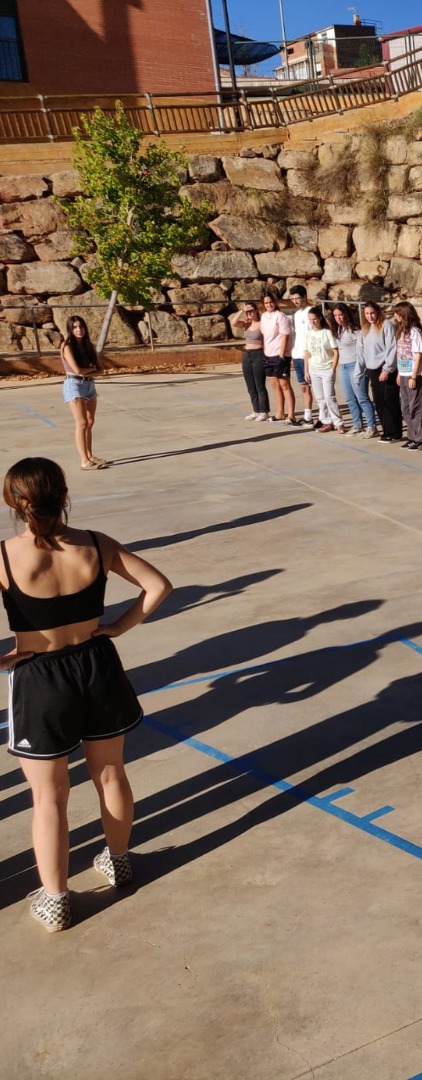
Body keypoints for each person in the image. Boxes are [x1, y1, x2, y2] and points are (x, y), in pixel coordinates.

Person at [1, 457, 172, 931]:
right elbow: (158, 585)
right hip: (97, 665)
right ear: (64, 496)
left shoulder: (5, 556)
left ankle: (56, 899)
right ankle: (118, 861)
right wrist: (118, 626)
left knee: (49, 795)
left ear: (15, 504)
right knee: (111, 773)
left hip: (39, 676)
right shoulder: (97, 544)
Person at [59, 315, 107, 471]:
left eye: (81, 326)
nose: (79, 330)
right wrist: (91, 369)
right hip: (74, 385)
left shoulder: (89, 346)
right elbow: (77, 370)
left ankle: (90, 456)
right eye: (75, 327)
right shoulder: (67, 346)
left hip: (89, 385)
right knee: (82, 423)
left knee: (90, 421)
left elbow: (101, 370)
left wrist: (90, 371)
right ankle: (84, 461)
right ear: (70, 330)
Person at [331, 303, 375, 437]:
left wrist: (360, 369)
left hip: (356, 365)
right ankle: (357, 425)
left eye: (340, 315)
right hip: (344, 366)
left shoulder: (355, 330)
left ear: (346, 314)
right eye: (335, 316)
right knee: (350, 399)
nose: (338, 318)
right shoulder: (338, 329)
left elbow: (362, 350)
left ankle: (372, 427)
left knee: (362, 398)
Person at [360, 301, 402, 442]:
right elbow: (364, 350)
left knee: (389, 401)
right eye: (367, 314)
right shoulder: (366, 328)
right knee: (379, 402)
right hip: (372, 369)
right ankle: (386, 430)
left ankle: (394, 433)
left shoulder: (386, 325)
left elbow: (392, 348)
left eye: (372, 313)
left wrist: (387, 369)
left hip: (385, 368)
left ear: (377, 312)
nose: (370, 316)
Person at [260, 291, 300, 426]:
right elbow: (265, 336)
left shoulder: (281, 316)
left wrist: (282, 355)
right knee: (274, 385)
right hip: (268, 354)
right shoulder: (264, 316)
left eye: (271, 302)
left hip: (280, 354)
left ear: (275, 302)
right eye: (266, 303)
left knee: (285, 385)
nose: (269, 305)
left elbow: (285, 336)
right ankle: (280, 412)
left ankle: (291, 415)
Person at [394, 301, 422, 450]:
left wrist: (413, 376)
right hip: (403, 372)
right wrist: (399, 373)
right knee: (406, 407)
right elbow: (400, 353)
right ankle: (412, 436)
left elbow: (419, 354)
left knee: (416, 406)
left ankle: (421, 438)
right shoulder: (402, 331)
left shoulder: (415, 332)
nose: (395, 316)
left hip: (414, 374)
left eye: (397, 312)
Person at [305, 307, 344, 433]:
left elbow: (335, 351)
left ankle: (338, 422)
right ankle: (327, 422)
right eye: (310, 319)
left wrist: (333, 368)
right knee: (320, 398)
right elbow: (307, 353)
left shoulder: (327, 333)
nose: (313, 322)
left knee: (329, 397)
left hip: (327, 368)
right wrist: (306, 370)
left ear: (320, 318)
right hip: (314, 369)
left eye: (315, 319)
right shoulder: (309, 334)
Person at [231, 301, 269, 422]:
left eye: (251, 311)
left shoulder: (262, 323)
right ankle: (255, 410)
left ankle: (264, 411)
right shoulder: (246, 323)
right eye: (247, 312)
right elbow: (233, 323)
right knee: (250, 385)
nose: (249, 313)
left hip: (259, 354)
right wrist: (242, 311)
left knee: (259, 385)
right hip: (247, 355)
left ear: (256, 310)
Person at [288, 285, 316, 426]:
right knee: (303, 387)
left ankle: (327, 417)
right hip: (297, 355)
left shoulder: (312, 312)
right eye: (292, 299)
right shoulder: (297, 314)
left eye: (297, 298)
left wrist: (309, 354)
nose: (295, 301)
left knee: (317, 388)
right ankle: (308, 417)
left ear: (305, 297)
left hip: (309, 356)